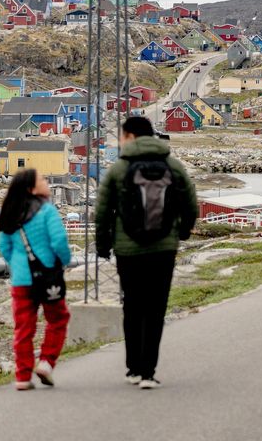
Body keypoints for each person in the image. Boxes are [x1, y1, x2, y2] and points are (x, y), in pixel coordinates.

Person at [95, 116, 198, 389]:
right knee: (155, 308)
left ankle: (133, 369)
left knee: (133, 306)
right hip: (164, 248)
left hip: (128, 250)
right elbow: (191, 204)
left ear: (129, 136)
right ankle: (149, 372)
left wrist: (103, 244)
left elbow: (102, 211)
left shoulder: (118, 169)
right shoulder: (173, 165)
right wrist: (182, 232)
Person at [0, 169, 72, 391]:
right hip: (47, 277)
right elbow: (59, 241)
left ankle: (22, 376)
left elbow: (4, 247)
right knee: (58, 319)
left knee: (23, 328)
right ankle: (47, 362)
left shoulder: (10, 212)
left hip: (21, 281)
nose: (46, 181)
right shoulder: (47, 211)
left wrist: (19, 266)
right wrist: (62, 262)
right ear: (32, 188)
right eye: (42, 180)